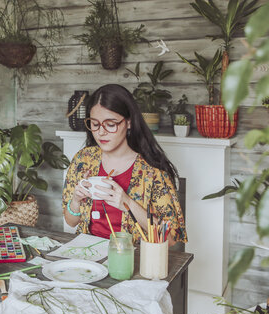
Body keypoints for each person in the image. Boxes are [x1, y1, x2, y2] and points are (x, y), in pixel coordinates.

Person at [62, 84, 187, 245]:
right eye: (95, 124)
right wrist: (76, 200)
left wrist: (127, 203)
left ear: (128, 122)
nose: (101, 132)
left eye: (111, 124)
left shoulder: (152, 172)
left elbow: (169, 240)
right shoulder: (83, 160)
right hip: (88, 256)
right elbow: (71, 221)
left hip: (130, 259)